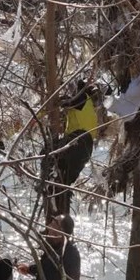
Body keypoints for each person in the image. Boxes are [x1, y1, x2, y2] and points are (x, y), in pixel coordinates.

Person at [41, 81, 99, 216]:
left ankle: (45, 181)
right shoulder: (87, 107)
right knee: (63, 181)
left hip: (79, 140)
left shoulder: (83, 98)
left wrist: (54, 102)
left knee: (50, 154)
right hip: (83, 146)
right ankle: (60, 218)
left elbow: (66, 102)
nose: (71, 91)